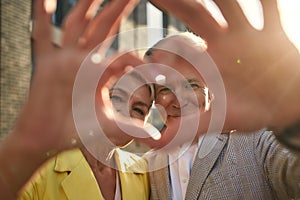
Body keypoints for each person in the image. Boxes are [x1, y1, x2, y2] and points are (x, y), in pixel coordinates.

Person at [144, 33, 300, 199]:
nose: (180, 100)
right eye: (165, 89)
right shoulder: (147, 165)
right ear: (154, 100)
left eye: (191, 85)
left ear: (211, 91)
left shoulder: (257, 141)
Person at [18, 70, 152, 200]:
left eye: (138, 110)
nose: (124, 113)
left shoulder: (145, 173)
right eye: (116, 97)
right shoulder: (37, 170)